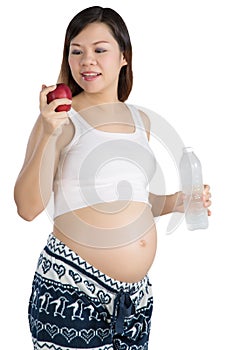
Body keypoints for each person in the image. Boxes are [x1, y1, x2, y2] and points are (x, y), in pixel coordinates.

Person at [14, 6, 212, 350]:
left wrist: (176, 202)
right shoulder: (61, 117)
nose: (86, 60)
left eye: (100, 50)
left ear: (124, 57)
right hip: (73, 290)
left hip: (134, 299)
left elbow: (128, 197)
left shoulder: (141, 121)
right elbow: (28, 208)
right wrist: (47, 133)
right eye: (77, 51)